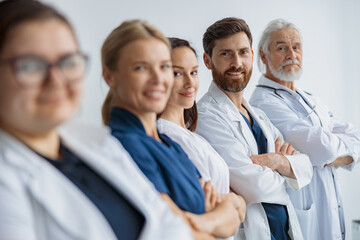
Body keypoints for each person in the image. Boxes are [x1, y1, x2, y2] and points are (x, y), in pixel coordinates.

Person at [0, 1, 194, 239]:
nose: (57, 80)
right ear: (109, 75)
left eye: (68, 62)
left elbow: (173, 227)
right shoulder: (6, 178)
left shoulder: (98, 143)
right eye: (31, 65)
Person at [101, 20, 243, 239]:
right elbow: (176, 234)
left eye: (165, 67)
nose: (159, 78)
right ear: (110, 76)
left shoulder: (169, 146)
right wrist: (213, 220)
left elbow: (232, 219)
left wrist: (198, 221)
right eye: (141, 68)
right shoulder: (124, 145)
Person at [195, 17, 313, 240]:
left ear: (251, 54)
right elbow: (254, 186)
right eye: (225, 54)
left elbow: (306, 166)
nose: (237, 63)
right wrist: (288, 172)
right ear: (207, 60)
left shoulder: (259, 116)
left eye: (242, 52)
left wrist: (279, 162)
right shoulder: (206, 116)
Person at [250, 18, 360, 240]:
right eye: (281, 48)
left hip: (330, 209)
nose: (291, 54)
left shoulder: (310, 98)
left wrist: (324, 153)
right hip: (303, 211)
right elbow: (323, 148)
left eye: (296, 47)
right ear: (264, 56)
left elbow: (354, 137)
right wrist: (335, 152)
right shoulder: (263, 103)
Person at [158, 37, 246, 239]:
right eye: (177, 73)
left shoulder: (190, 134)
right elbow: (218, 206)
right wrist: (232, 204)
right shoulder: (166, 136)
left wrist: (233, 203)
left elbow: (237, 203)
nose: (190, 83)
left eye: (194, 72)